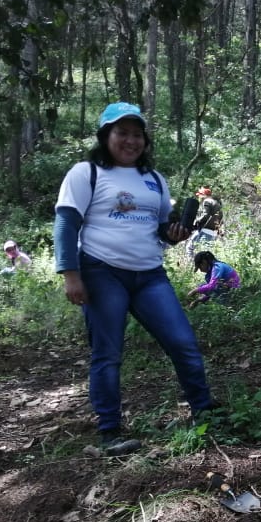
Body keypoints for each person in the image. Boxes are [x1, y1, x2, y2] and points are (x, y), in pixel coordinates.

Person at [53, 101, 217, 455]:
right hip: (101, 271)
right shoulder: (86, 173)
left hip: (149, 275)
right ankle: (110, 431)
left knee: (182, 341)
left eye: (137, 134)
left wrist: (172, 234)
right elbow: (67, 222)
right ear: (106, 136)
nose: (130, 140)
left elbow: (158, 229)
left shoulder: (155, 179)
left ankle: (204, 411)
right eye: (121, 133)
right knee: (108, 353)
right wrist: (70, 275)